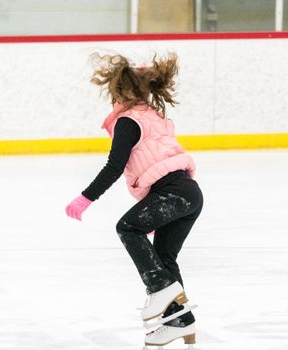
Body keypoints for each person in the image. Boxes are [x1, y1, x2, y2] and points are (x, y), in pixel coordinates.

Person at [65, 52, 202, 347]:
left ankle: (161, 291)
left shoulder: (128, 121)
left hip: (173, 192)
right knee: (164, 258)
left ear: (119, 90)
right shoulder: (151, 114)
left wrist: (85, 198)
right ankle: (181, 322)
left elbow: (114, 166)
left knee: (128, 228)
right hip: (188, 193)